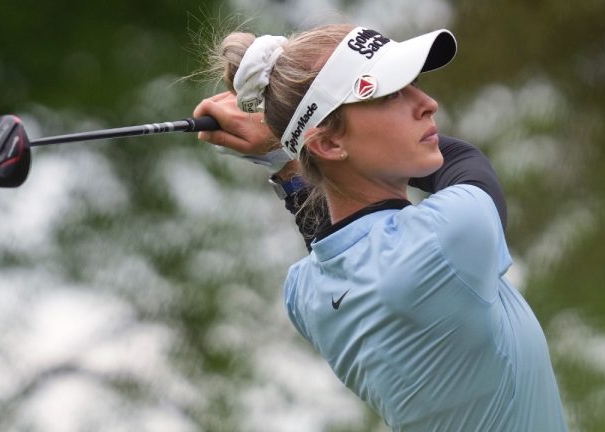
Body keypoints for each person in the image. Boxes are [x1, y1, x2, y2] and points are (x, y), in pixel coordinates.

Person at [193, 23, 568, 431]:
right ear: (331, 145)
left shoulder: (304, 294)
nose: (427, 103)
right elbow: (464, 162)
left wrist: (289, 151)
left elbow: (329, 231)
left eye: (413, 83)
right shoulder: (450, 237)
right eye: (389, 93)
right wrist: (284, 144)